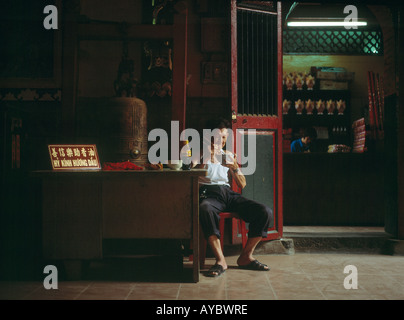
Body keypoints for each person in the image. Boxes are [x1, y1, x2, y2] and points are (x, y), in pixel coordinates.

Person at [193, 118, 273, 277]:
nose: (220, 141)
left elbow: (242, 184)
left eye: (223, 137)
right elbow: (190, 172)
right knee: (204, 208)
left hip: (228, 194)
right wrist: (205, 157)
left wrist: (235, 167)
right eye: (216, 137)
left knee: (264, 211)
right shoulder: (199, 153)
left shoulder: (229, 155)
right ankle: (220, 260)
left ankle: (246, 256)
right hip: (209, 193)